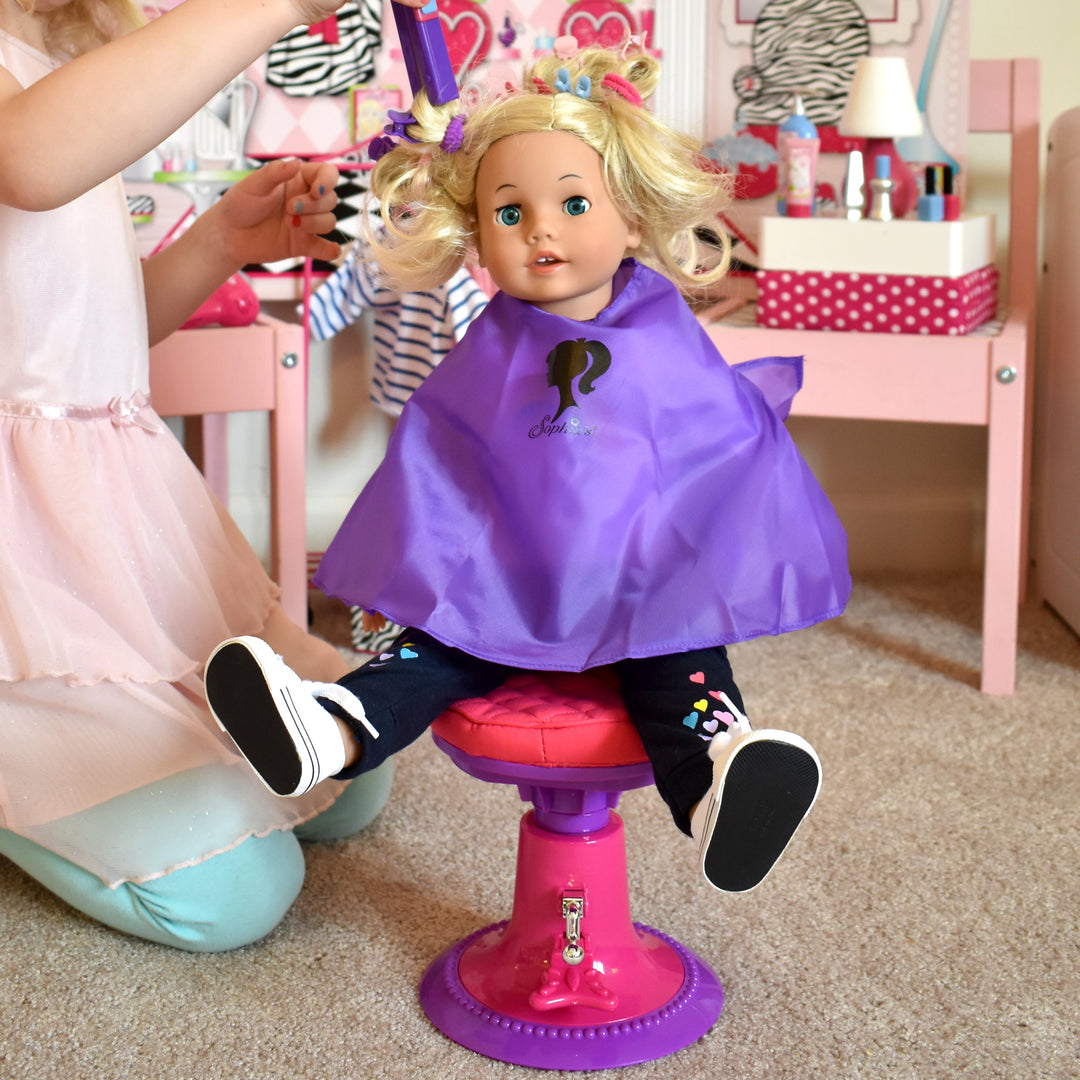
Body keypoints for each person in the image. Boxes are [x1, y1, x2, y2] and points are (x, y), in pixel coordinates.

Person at [205, 41, 852, 894]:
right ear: (476, 234)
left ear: (631, 218)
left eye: (574, 203)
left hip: (638, 590)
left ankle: (716, 783)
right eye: (509, 214)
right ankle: (332, 728)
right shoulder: (489, 346)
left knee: (683, 662)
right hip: (501, 590)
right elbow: (444, 465)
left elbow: (711, 450)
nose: (541, 228)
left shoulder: (662, 336)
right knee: (423, 657)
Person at [0, 0, 430, 953]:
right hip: (14, 556)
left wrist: (220, 245)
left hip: (96, 518)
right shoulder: (30, 114)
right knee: (238, 893)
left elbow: (81, 335)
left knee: (351, 780)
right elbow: (28, 160)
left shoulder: (50, 55)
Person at [306, 228, 490, 652]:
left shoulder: (474, 249)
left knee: (432, 502)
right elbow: (351, 285)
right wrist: (298, 331)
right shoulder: (406, 240)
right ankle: (395, 615)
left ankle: (426, 615)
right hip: (429, 392)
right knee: (412, 501)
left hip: (452, 397)